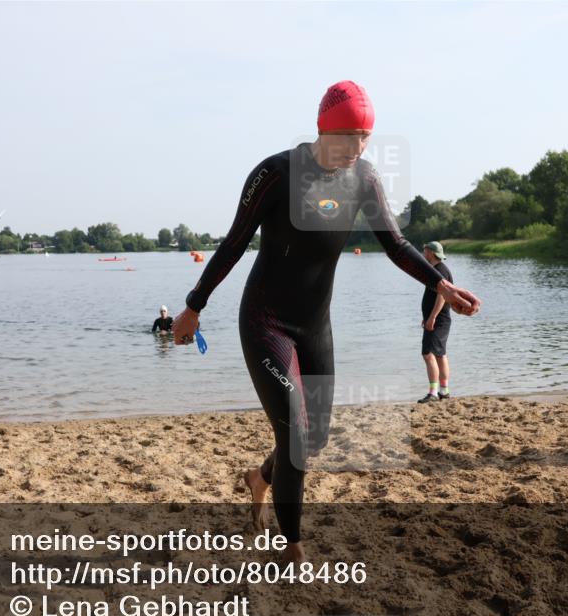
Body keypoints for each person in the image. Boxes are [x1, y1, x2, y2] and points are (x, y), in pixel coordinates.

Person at [171, 81, 481, 562]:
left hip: (315, 326)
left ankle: (259, 478)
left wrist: (440, 285)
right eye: (350, 136)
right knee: (294, 436)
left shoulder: (364, 178)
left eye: (366, 137)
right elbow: (234, 243)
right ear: (324, 130)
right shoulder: (275, 173)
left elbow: (396, 245)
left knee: (311, 439)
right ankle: (291, 547)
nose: (358, 148)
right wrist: (194, 305)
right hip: (265, 322)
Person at [418, 241, 453, 403]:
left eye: (424, 251)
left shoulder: (440, 271)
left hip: (438, 319)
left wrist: (431, 317)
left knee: (428, 354)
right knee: (439, 354)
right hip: (437, 318)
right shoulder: (436, 270)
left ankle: (433, 393)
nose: (423, 253)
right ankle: (444, 391)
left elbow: (442, 296)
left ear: (431, 253)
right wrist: (426, 316)